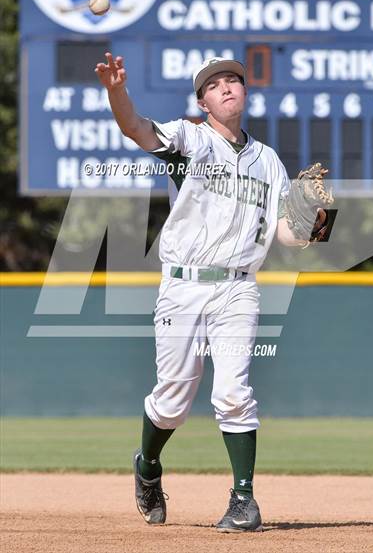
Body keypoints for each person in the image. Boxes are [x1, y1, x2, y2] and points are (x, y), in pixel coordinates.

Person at [95, 54, 322, 532]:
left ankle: (244, 501)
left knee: (234, 391)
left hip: (239, 288)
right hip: (183, 285)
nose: (226, 88)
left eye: (233, 81)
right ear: (203, 101)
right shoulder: (190, 139)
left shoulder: (270, 162)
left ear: (244, 93)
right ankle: (148, 467)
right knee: (173, 400)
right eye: (214, 84)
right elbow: (135, 127)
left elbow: (287, 234)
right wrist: (117, 91)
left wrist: (314, 223)